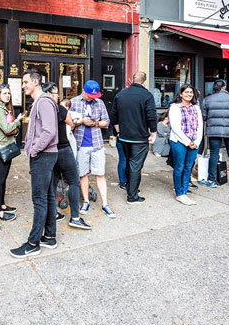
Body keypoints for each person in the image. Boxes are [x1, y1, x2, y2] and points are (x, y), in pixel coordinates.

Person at [10, 71, 59, 258]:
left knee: (39, 200)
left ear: (36, 82)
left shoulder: (44, 102)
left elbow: (49, 131)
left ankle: (33, 243)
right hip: (45, 155)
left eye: (25, 82)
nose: (23, 86)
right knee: (48, 196)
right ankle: (50, 236)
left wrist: (34, 149)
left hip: (43, 156)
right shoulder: (40, 101)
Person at [44, 83, 91, 230]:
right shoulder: (60, 109)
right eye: (56, 93)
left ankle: (52, 214)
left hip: (49, 151)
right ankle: (75, 218)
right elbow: (71, 124)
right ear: (52, 95)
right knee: (74, 181)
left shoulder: (40, 109)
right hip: (63, 149)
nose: (57, 96)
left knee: (52, 183)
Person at [110, 71, 157, 204]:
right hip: (139, 138)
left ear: (131, 80)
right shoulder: (147, 95)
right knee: (135, 166)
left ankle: (129, 187)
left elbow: (114, 116)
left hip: (124, 137)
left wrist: (118, 132)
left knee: (128, 162)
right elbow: (151, 116)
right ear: (144, 81)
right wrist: (153, 133)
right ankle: (132, 196)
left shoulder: (120, 95)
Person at [70, 80, 114, 218]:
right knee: (83, 174)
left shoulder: (99, 103)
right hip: (81, 144)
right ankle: (86, 201)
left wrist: (95, 123)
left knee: (100, 174)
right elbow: (69, 124)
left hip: (97, 144)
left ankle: (105, 204)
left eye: (94, 96)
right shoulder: (73, 102)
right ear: (83, 91)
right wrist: (81, 122)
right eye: (90, 95)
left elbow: (106, 121)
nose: (92, 98)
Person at [199, 79, 229, 189]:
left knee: (214, 153)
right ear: (224, 87)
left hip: (214, 130)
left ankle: (212, 179)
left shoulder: (207, 99)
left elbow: (204, 117)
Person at [0, 83, 22, 221]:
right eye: (4, 93)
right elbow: (7, 129)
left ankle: (2, 205)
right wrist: (19, 121)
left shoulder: (5, 108)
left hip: (7, 144)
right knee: (0, 179)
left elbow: (11, 129)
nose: (7, 95)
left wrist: (14, 126)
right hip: (1, 146)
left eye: (9, 93)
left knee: (4, 178)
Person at [169, 85, 202, 205]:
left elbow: (200, 126)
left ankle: (184, 190)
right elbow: (175, 127)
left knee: (188, 167)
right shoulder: (175, 107)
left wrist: (197, 142)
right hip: (179, 142)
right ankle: (179, 193)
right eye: (186, 92)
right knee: (179, 167)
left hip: (194, 142)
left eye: (191, 92)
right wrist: (188, 142)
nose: (189, 94)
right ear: (181, 94)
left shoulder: (196, 108)